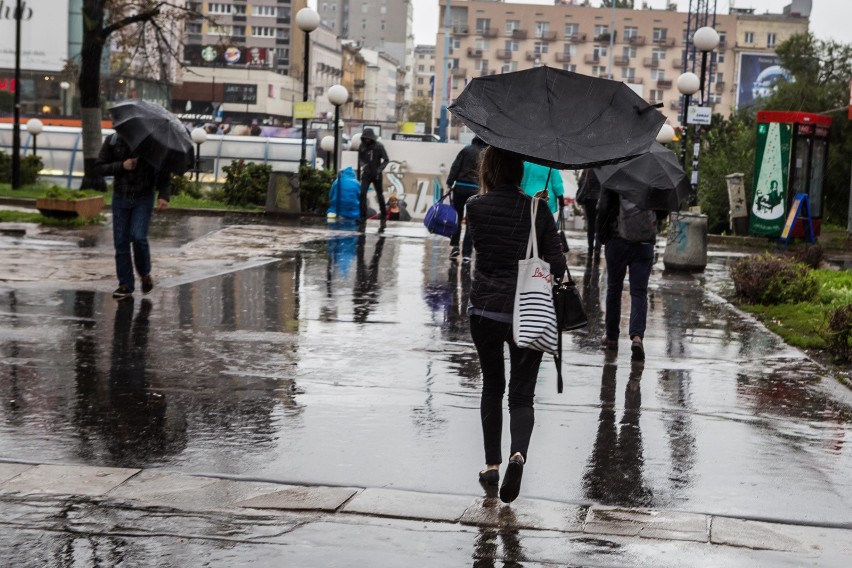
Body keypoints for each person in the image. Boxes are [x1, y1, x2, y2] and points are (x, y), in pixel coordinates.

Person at [465, 146, 567, 504]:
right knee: (522, 394)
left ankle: (491, 467)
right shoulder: (538, 209)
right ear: (519, 171)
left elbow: (482, 250)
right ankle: (517, 456)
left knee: (492, 386)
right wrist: (540, 220)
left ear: (489, 170)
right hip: (529, 313)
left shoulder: (474, 207)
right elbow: (556, 264)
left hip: (485, 311)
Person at [96, 131, 171, 300]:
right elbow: (99, 167)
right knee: (121, 242)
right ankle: (125, 285)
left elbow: (164, 172)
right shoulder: (113, 141)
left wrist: (164, 196)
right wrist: (122, 166)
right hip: (120, 197)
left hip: (143, 198)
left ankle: (145, 274)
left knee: (138, 236)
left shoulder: (153, 144)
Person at [596, 184, 658, 361]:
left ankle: (612, 337)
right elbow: (661, 211)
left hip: (617, 241)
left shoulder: (615, 175)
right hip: (644, 242)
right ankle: (637, 337)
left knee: (614, 289)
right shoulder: (652, 176)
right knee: (639, 292)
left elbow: (603, 207)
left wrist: (603, 236)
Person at [446, 136, 486, 261]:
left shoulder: (466, 150)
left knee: (457, 217)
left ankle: (455, 247)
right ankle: (467, 254)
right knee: (471, 221)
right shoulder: (485, 154)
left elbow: (455, 166)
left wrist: (449, 183)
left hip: (460, 187)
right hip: (475, 189)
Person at [358, 128, 390, 226]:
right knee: (362, 194)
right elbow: (360, 158)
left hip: (376, 174)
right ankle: (362, 217)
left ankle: (383, 215)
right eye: (365, 138)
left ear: (372, 138)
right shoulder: (362, 146)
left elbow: (386, 160)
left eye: (368, 138)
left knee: (379, 195)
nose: (367, 140)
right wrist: (363, 165)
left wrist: (379, 170)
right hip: (366, 174)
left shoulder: (379, 147)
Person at [576, 168, 602, 257]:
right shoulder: (605, 167)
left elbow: (580, 182)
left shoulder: (588, 168)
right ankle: (597, 248)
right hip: (600, 199)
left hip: (589, 199)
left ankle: (590, 248)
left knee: (591, 224)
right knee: (599, 224)